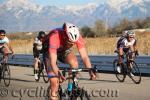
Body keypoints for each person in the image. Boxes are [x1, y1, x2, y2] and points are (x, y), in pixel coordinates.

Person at [45, 22, 97, 99]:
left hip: (63, 50)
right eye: (70, 42)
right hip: (49, 52)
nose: (71, 45)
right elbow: (53, 63)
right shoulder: (55, 37)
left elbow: (85, 57)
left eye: (73, 43)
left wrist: (90, 71)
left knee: (74, 63)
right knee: (55, 82)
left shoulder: (77, 36)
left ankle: (70, 90)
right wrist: (58, 73)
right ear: (65, 36)